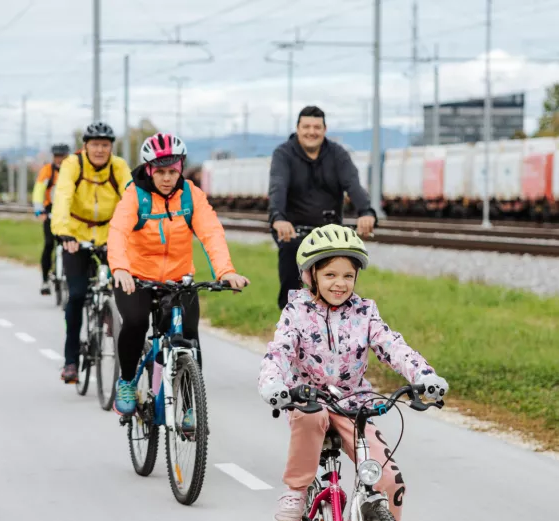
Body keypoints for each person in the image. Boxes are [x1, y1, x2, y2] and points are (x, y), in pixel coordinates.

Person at [258, 224, 448, 521]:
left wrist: (425, 375)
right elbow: (278, 351)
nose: (340, 283)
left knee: (391, 482)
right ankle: (296, 490)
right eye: (330, 275)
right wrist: (273, 383)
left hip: (354, 405)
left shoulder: (365, 311)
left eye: (348, 275)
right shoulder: (296, 311)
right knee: (312, 417)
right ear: (311, 276)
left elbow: (393, 347)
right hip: (308, 401)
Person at [107, 132, 250, 416]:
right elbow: (118, 232)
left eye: (173, 171)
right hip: (136, 278)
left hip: (178, 279)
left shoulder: (191, 196)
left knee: (188, 338)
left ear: (181, 168)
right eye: (160, 171)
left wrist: (226, 271)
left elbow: (211, 234)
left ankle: (188, 407)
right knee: (135, 323)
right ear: (149, 169)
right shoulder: (135, 196)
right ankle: (125, 382)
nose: (167, 178)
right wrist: (120, 268)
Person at [268, 105, 379, 310]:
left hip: (329, 232)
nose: (312, 132)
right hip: (293, 231)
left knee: (337, 283)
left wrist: (366, 212)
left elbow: (353, 185)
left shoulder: (337, 154)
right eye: (307, 126)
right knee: (292, 286)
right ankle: (288, 329)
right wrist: (278, 218)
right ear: (298, 128)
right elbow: (278, 187)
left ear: (324, 130)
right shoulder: (283, 154)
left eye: (317, 127)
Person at [50, 122, 132, 384]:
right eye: (95, 144)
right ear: (85, 146)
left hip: (110, 233)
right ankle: (71, 360)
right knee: (76, 295)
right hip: (76, 235)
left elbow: (131, 198)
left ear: (111, 147)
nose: (99, 150)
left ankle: (115, 326)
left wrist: (134, 230)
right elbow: (62, 197)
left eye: (105, 145)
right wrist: (64, 233)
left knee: (125, 289)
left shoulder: (118, 166)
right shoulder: (72, 165)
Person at [32, 143, 71, 295]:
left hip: (69, 212)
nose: (60, 160)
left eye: (63, 157)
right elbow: (39, 189)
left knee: (70, 246)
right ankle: (45, 280)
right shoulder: (47, 170)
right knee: (49, 244)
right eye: (57, 157)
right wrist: (38, 210)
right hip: (51, 211)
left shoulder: (73, 169)